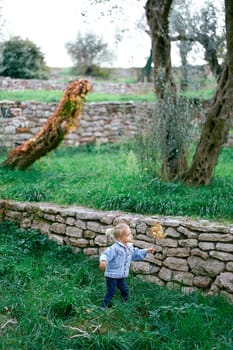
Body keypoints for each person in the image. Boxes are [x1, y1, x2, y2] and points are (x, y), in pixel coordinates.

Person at [99, 223, 155, 308]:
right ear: (121, 238)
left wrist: (146, 250)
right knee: (111, 292)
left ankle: (123, 305)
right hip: (112, 276)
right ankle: (103, 307)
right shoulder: (115, 248)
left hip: (121, 276)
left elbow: (136, 253)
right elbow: (106, 254)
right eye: (128, 235)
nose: (131, 236)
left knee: (125, 290)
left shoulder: (129, 248)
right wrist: (103, 261)